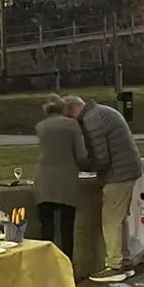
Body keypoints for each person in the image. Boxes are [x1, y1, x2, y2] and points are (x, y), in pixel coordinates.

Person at [75, 96, 143, 282]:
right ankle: (125, 262)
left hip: (118, 174)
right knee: (120, 219)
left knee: (111, 220)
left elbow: (102, 158)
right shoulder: (103, 111)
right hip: (129, 169)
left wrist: (83, 166)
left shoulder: (91, 120)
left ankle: (114, 266)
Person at [34, 94, 87, 258]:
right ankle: (67, 264)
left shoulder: (40, 126)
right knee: (66, 227)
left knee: (47, 227)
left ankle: (47, 266)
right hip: (66, 179)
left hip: (44, 178)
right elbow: (81, 155)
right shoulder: (72, 125)